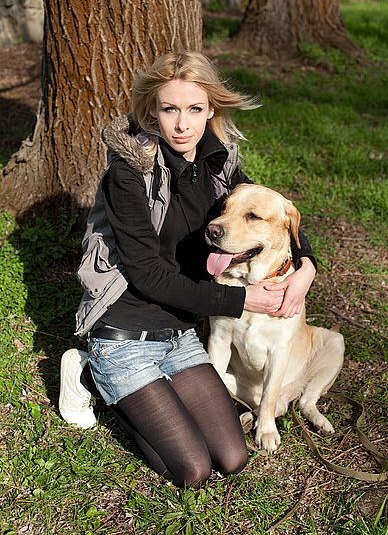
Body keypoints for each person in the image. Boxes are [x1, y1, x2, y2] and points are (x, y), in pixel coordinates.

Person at [59, 51, 317, 487]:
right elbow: (146, 276)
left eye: (195, 109)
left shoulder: (220, 163)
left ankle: (152, 389)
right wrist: (240, 300)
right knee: (193, 470)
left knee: (233, 457)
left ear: (210, 109)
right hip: (125, 333)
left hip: (180, 332)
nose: (183, 124)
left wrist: (308, 264)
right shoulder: (128, 174)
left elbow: (269, 210)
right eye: (170, 109)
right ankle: (87, 372)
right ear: (152, 111)